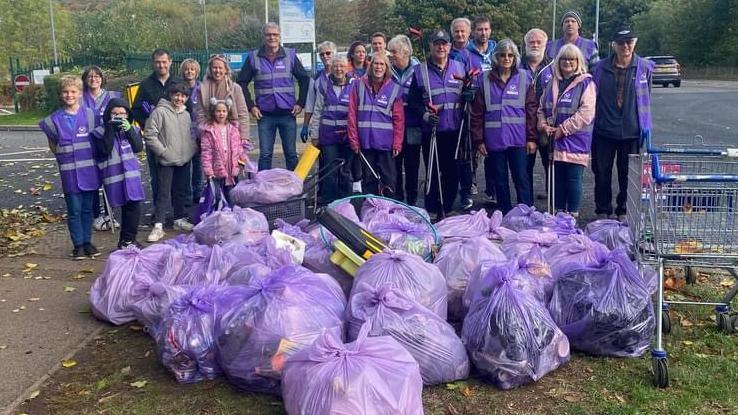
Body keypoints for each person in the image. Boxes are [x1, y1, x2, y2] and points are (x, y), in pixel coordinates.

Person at [591, 27, 653, 221]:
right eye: (621, 42)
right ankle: (603, 209)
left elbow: (645, 98)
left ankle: (624, 209)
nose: (625, 46)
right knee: (601, 173)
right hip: (603, 130)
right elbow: (594, 96)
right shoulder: (600, 67)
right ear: (614, 45)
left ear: (635, 42)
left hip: (632, 131)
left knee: (628, 174)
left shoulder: (644, 67)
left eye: (629, 41)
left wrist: (644, 126)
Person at [470, 39, 537, 213]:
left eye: (510, 55)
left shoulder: (524, 78)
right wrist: (479, 141)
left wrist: (531, 138)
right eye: (502, 55)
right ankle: (505, 213)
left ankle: (526, 213)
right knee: (499, 179)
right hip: (494, 140)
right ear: (496, 57)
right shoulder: (483, 80)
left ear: (515, 58)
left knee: (521, 178)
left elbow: (531, 111)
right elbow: (477, 113)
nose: (506, 58)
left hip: (518, 140)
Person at [39, 75, 101, 259]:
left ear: (80, 93)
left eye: (73, 91)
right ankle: (78, 245)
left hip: (89, 172)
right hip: (70, 173)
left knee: (88, 209)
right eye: (65, 92)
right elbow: (53, 144)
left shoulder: (91, 115)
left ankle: (88, 242)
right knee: (74, 209)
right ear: (60, 94)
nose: (69, 95)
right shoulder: (53, 120)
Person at [408, 29, 468, 216]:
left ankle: (448, 207)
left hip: (455, 130)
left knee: (453, 172)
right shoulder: (420, 71)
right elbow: (413, 101)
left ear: (450, 46)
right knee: (433, 171)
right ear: (431, 46)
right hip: (432, 130)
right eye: (437, 43)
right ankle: (433, 209)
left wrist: (469, 94)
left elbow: (467, 94)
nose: (441, 47)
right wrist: (425, 116)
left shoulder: (459, 67)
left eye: (444, 44)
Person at [237, 22, 309, 171]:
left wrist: (300, 103)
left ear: (280, 36)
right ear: (263, 37)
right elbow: (241, 82)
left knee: (290, 154)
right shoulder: (253, 57)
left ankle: (295, 187)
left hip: (288, 113)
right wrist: (251, 106)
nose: (272, 37)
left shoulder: (290, 55)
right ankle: (264, 188)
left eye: (275, 34)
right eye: (268, 34)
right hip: (264, 114)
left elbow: (304, 78)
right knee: (265, 155)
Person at [537, 44, 596, 218]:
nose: (568, 62)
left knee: (572, 179)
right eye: (564, 59)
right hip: (554, 141)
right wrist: (543, 125)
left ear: (578, 62)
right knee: (557, 180)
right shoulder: (552, 83)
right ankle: (558, 213)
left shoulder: (586, 82)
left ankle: (572, 215)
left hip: (575, 141)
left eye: (572, 59)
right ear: (558, 61)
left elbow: (586, 113)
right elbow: (541, 108)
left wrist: (563, 129)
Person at [143, 83, 198, 242]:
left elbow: (191, 134)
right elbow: (150, 134)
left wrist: (191, 150)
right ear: (170, 95)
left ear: (186, 98)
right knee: (163, 192)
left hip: (184, 159)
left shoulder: (186, 114)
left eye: (182, 96)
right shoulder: (160, 112)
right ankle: (158, 225)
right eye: (176, 95)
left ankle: (178, 219)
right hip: (166, 160)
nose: (179, 98)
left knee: (181, 190)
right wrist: (163, 152)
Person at [347, 53, 404, 197]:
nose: (378, 67)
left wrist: (397, 143)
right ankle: (371, 211)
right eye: (375, 64)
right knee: (369, 181)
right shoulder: (358, 85)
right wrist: (354, 140)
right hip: (365, 143)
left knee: (389, 181)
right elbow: (352, 115)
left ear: (386, 67)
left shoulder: (394, 88)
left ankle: (389, 211)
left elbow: (399, 119)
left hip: (386, 144)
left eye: (382, 64)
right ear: (370, 66)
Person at [131, 49, 183, 209]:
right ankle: (159, 211)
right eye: (158, 62)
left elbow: (186, 107)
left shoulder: (177, 83)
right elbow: (136, 109)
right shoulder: (146, 85)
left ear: (170, 62)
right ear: (153, 63)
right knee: (157, 176)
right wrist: (147, 124)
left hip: (175, 137)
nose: (161, 65)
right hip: (155, 138)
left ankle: (179, 212)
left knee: (178, 175)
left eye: (164, 61)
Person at [93, 98, 146, 249]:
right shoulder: (99, 132)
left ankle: (128, 240)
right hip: (114, 177)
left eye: (122, 113)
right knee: (122, 207)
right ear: (108, 115)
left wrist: (128, 129)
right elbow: (104, 149)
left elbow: (138, 148)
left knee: (134, 208)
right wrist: (110, 130)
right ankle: (124, 241)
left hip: (131, 177)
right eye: (115, 114)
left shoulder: (133, 129)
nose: (119, 117)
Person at [308, 56, 354, 203]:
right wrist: (314, 134)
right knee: (330, 170)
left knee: (346, 170)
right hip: (328, 136)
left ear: (347, 68)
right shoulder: (324, 86)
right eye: (335, 67)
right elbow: (317, 111)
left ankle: (346, 201)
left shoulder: (355, 86)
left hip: (348, 136)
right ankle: (330, 202)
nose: (338, 69)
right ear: (331, 69)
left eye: (341, 66)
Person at [81, 65, 122, 232]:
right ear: (85, 79)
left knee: (109, 179)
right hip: (86, 143)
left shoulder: (111, 96)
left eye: (97, 76)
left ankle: (110, 214)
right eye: (90, 76)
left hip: (107, 142)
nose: (94, 79)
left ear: (102, 78)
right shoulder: (80, 98)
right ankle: (96, 216)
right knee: (92, 181)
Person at [196, 54, 251, 169]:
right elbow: (200, 113)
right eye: (214, 68)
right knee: (214, 167)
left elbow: (242, 113)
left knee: (233, 167)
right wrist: (205, 131)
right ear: (210, 69)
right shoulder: (202, 89)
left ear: (226, 69)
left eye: (220, 68)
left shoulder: (235, 88)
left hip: (232, 134)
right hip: (211, 135)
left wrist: (244, 135)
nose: (217, 71)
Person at [522, 28, 556, 201]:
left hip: (546, 125)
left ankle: (552, 201)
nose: (535, 45)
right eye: (531, 42)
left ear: (545, 44)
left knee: (549, 163)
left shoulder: (555, 66)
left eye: (538, 42)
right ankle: (526, 205)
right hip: (523, 125)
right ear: (525, 44)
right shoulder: (516, 67)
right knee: (525, 167)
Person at [388, 34, 421, 206]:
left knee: (412, 165)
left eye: (394, 52)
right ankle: (397, 199)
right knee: (395, 166)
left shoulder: (419, 70)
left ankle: (413, 201)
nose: (390, 55)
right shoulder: (386, 70)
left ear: (405, 51)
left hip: (413, 126)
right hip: (393, 127)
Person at [200, 101, 248, 204]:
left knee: (232, 197)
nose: (221, 114)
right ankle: (219, 217)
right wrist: (208, 171)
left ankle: (231, 216)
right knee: (217, 198)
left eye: (224, 111)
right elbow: (206, 153)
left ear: (228, 112)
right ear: (213, 112)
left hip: (231, 170)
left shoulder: (233, 129)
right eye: (218, 111)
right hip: (216, 172)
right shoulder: (209, 131)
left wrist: (245, 162)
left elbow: (238, 148)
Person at [301, 41, 337, 144]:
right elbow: (310, 103)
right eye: (322, 54)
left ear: (334, 53)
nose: (325, 56)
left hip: (341, 124)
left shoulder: (345, 76)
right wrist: (305, 125)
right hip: (321, 125)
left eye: (328, 53)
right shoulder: (315, 78)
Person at [179, 58, 204, 206]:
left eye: (192, 69)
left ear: (197, 72)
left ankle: (198, 193)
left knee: (199, 165)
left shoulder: (202, 88)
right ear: (183, 71)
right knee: (185, 166)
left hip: (200, 133)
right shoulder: (178, 88)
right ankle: (186, 196)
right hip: (183, 133)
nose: (189, 71)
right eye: (187, 69)